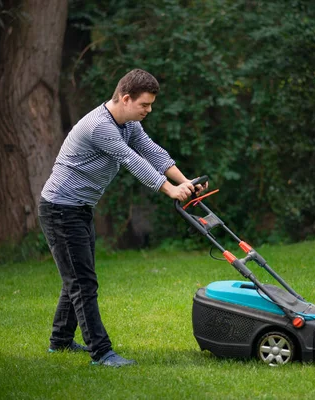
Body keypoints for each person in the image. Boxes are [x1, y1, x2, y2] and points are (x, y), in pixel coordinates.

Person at [38, 69, 207, 367]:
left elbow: (152, 152)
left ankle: (60, 342)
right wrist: (170, 190)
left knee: (76, 278)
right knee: (83, 283)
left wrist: (187, 183)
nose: (149, 110)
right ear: (126, 98)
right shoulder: (100, 127)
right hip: (60, 209)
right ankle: (101, 353)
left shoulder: (129, 124)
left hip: (78, 208)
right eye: (144, 105)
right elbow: (132, 160)